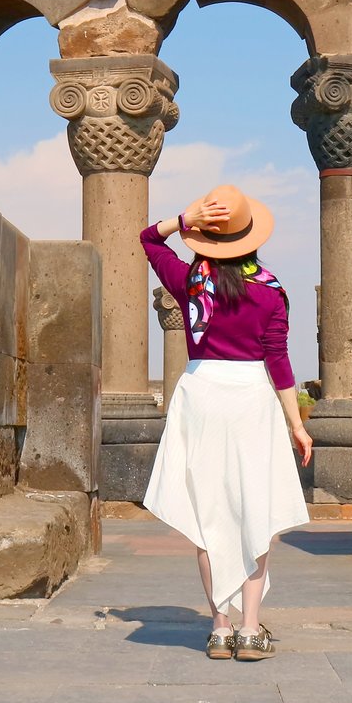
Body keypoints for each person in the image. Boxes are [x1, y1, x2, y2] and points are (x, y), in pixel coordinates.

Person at [140, 184, 312, 662]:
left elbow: (149, 240)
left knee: (209, 515)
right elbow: (278, 361)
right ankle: (251, 629)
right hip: (252, 398)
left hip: (201, 393)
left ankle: (219, 628)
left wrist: (184, 217)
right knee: (254, 509)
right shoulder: (272, 293)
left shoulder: (191, 282)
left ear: (205, 238)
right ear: (251, 238)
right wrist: (296, 423)